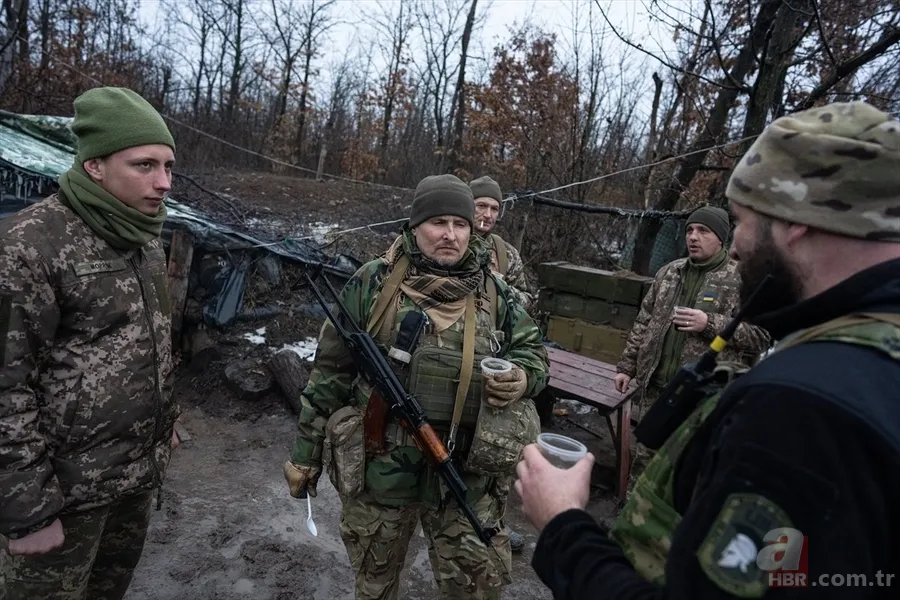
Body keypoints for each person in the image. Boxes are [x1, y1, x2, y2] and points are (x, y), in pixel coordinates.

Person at [515, 100, 900, 598]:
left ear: (794, 220)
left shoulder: (804, 406)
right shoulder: (868, 360)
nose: (737, 245)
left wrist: (562, 523)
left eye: (742, 220)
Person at [283, 174, 549, 600]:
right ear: (415, 225)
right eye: (438, 222)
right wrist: (305, 456)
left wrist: (521, 378)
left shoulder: (496, 293)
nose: (450, 234)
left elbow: (535, 355)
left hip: (467, 476)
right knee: (375, 587)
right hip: (381, 477)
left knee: (477, 589)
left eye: (460, 224)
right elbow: (330, 373)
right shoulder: (374, 283)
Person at [0, 87, 181, 600]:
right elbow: (6, 386)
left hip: (132, 481)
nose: (164, 182)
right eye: (144, 165)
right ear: (95, 166)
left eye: (168, 166)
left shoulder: (143, 239)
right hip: (62, 494)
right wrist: (28, 510)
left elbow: (150, 341)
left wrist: (164, 419)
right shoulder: (29, 244)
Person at [614, 205, 771, 422]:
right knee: (646, 442)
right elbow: (644, 322)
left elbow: (761, 336)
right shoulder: (669, 272)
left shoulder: (742, 279)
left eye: (703, 231)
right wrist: (627, 367)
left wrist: (709, 323)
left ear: (720, 238)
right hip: (654, 389)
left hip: (703, 396)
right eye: (689, 230)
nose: (693, 237)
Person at [469, 175, 536, 312]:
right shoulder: (448, 243)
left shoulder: (506, 253)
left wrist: (499, 287)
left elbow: (528, 302)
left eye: (494, 209)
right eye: (481, 206)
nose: (488, 215)